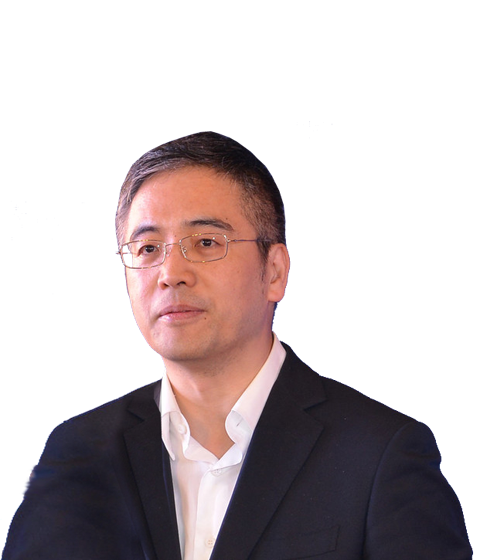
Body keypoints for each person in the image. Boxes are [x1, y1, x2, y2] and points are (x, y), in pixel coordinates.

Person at [4, 132, 471, 560]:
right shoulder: (78, 454)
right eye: (147, 249)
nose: (171, 273)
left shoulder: (380, 455)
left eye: (207, 242)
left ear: (275, 272)